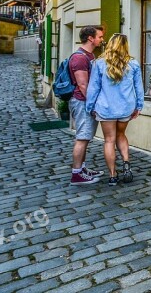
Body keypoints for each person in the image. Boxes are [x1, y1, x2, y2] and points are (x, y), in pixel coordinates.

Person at [85, 34, 144, 186]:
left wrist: (89, 107)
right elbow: (139, 87)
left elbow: (93, 88)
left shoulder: (99, 63)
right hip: (126, 107)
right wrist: (139, 105)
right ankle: (126, 163)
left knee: (109, 140)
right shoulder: (133, 64)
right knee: (121, 135)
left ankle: (112, 175)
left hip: (106, 108)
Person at [68, 25, 105, 185]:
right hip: (82, 102)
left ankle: (82, 168)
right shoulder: (80, 58)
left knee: (86, 136)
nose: (102, 40)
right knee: (82, 137)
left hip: (86, 102)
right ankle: (76, 174)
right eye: (100, 37)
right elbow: (83, 85)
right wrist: (93, 105)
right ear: (90, 38)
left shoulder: (89, 55)